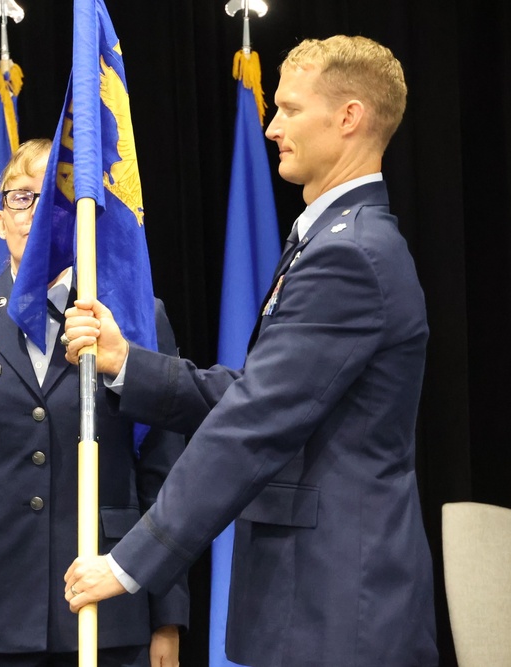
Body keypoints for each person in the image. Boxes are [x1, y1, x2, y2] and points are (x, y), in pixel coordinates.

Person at [61, 35, 437, 667]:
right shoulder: (337, 243)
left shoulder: (351, 254)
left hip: (338, 604)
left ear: (348, 118)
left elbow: (254, 422)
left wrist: (130, 562)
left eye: (289, 109)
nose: (271, 127)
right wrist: (128, 363)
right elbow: (257, 395)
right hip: (317, 596)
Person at [0, 138, 188, 667]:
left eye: (57, 199)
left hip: (108, 617)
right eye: (22, 198)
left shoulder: (136, 321)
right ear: (1, 220)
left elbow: (163, 478)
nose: (36, 213)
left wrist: (167, 617)